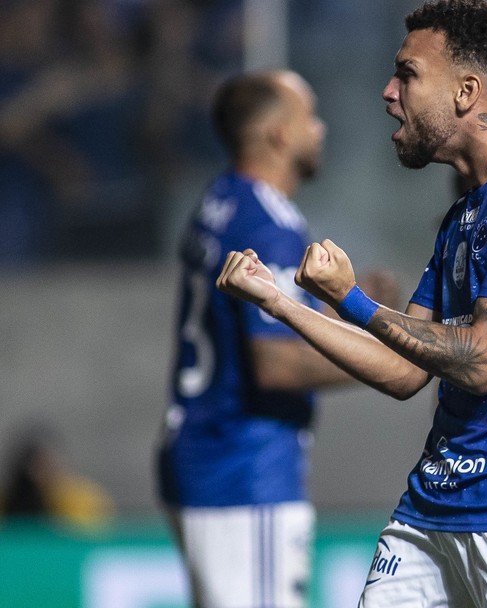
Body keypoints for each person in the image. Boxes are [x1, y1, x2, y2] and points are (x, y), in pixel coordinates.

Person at [216, 0, 487, 608]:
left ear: (465, 92)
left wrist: (349, 297)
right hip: (430, 511)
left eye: (407, 74)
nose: (388, 91)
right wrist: (282, 304)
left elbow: (483, 361)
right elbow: (406, 369)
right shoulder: (467, 212)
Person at [156, 69, 397, 608]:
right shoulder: (270, 222)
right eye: (309, 116)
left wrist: (345, 305)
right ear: (279, 135)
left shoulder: (219, 199)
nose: (320, 128)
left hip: (198, 452)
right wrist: (387, 349)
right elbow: (276, 364)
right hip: (244, 467)